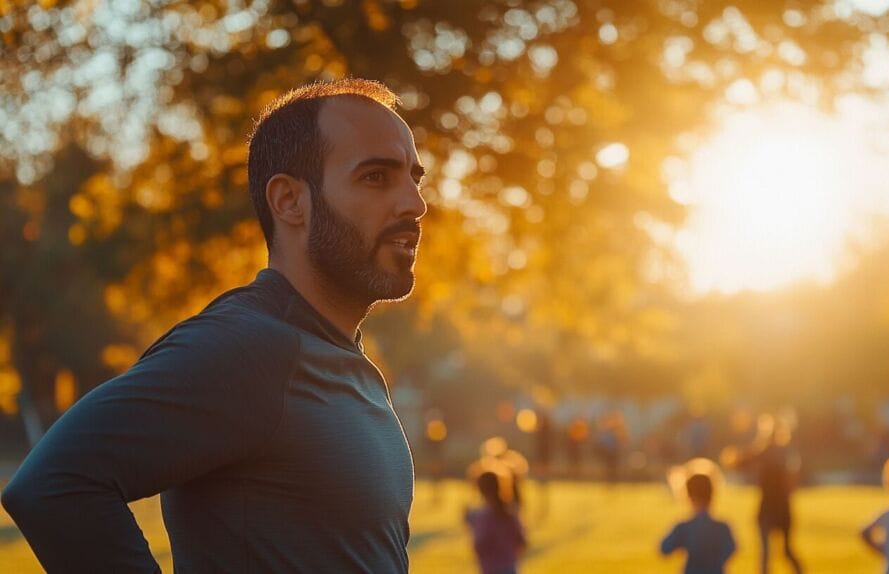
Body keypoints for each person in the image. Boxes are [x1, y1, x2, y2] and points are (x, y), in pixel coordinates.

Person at [1, 79, 428, 573]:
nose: (415, 205)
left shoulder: (345, 360)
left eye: (415, 179)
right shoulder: (248, 347)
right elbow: (53, 484)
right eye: (377, 177)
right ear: (290, 201)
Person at [722, 413, 803, 574]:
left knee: (769, 553)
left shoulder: (766, 452)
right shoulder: (783, 453)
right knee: (783, 551)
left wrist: (732, 456)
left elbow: (739, 462)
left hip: (771, 509)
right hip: (780, 509)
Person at [660, 458, 736, 574]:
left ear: (688, 496)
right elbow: (731, 549)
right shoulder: (723, 527)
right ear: (712, 494)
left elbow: (664, 549)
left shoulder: (683, 527)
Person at [465, 469, 528, 574]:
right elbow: (522, 541)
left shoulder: (483, 516)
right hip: (510, 567)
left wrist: (471, 524)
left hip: (490, 569)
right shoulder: (509, 511)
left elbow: (479, 545)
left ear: (480, 490)